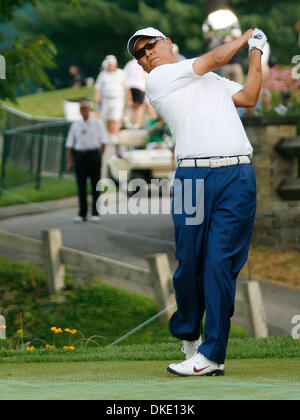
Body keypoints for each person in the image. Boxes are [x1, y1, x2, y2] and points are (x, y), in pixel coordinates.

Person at [127, 26, 266, 376]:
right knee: (189, 264)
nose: (146, 55)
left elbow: (249, 97)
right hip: (192, 178)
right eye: (140, 54)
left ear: (169, 43)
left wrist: (256, 52)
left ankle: (212, 355)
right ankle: (189, 332)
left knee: (220, 264)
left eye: (150, 46)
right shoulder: (160, 79)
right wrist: (247, 34)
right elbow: (216, 57)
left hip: (236, 176)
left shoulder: (212, 80)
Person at [66, 100, 108, 222]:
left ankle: (95, 212)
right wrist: (70, 161)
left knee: (95, 184)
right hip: (80, 155)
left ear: (89, 109)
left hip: (93, 154)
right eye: (81, 108)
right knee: (81, 185)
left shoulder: (97, 123)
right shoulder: (75, 125)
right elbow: (69, 145)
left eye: (85, 108)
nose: (83, 110)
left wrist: (100, 156)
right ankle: (82, 213)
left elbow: (104, 141)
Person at [94, 55, 133, 177]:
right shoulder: (103, 75)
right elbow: (98, 88)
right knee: (108, 118)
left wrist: (129, 98)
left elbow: (126, 87)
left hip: (118, 98)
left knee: (116, 117)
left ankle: (114, 136)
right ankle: (110, 135)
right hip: (106, 99)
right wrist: (97, 98)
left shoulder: (121, 73)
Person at [123, 58, 147, 128]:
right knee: (140, 106)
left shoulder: (129, 64)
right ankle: (137, 124)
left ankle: (126, 117)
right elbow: (146, 76)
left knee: (131, 104)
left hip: (129, 86)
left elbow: (124, 75)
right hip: (140, 86)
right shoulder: (143, 63)